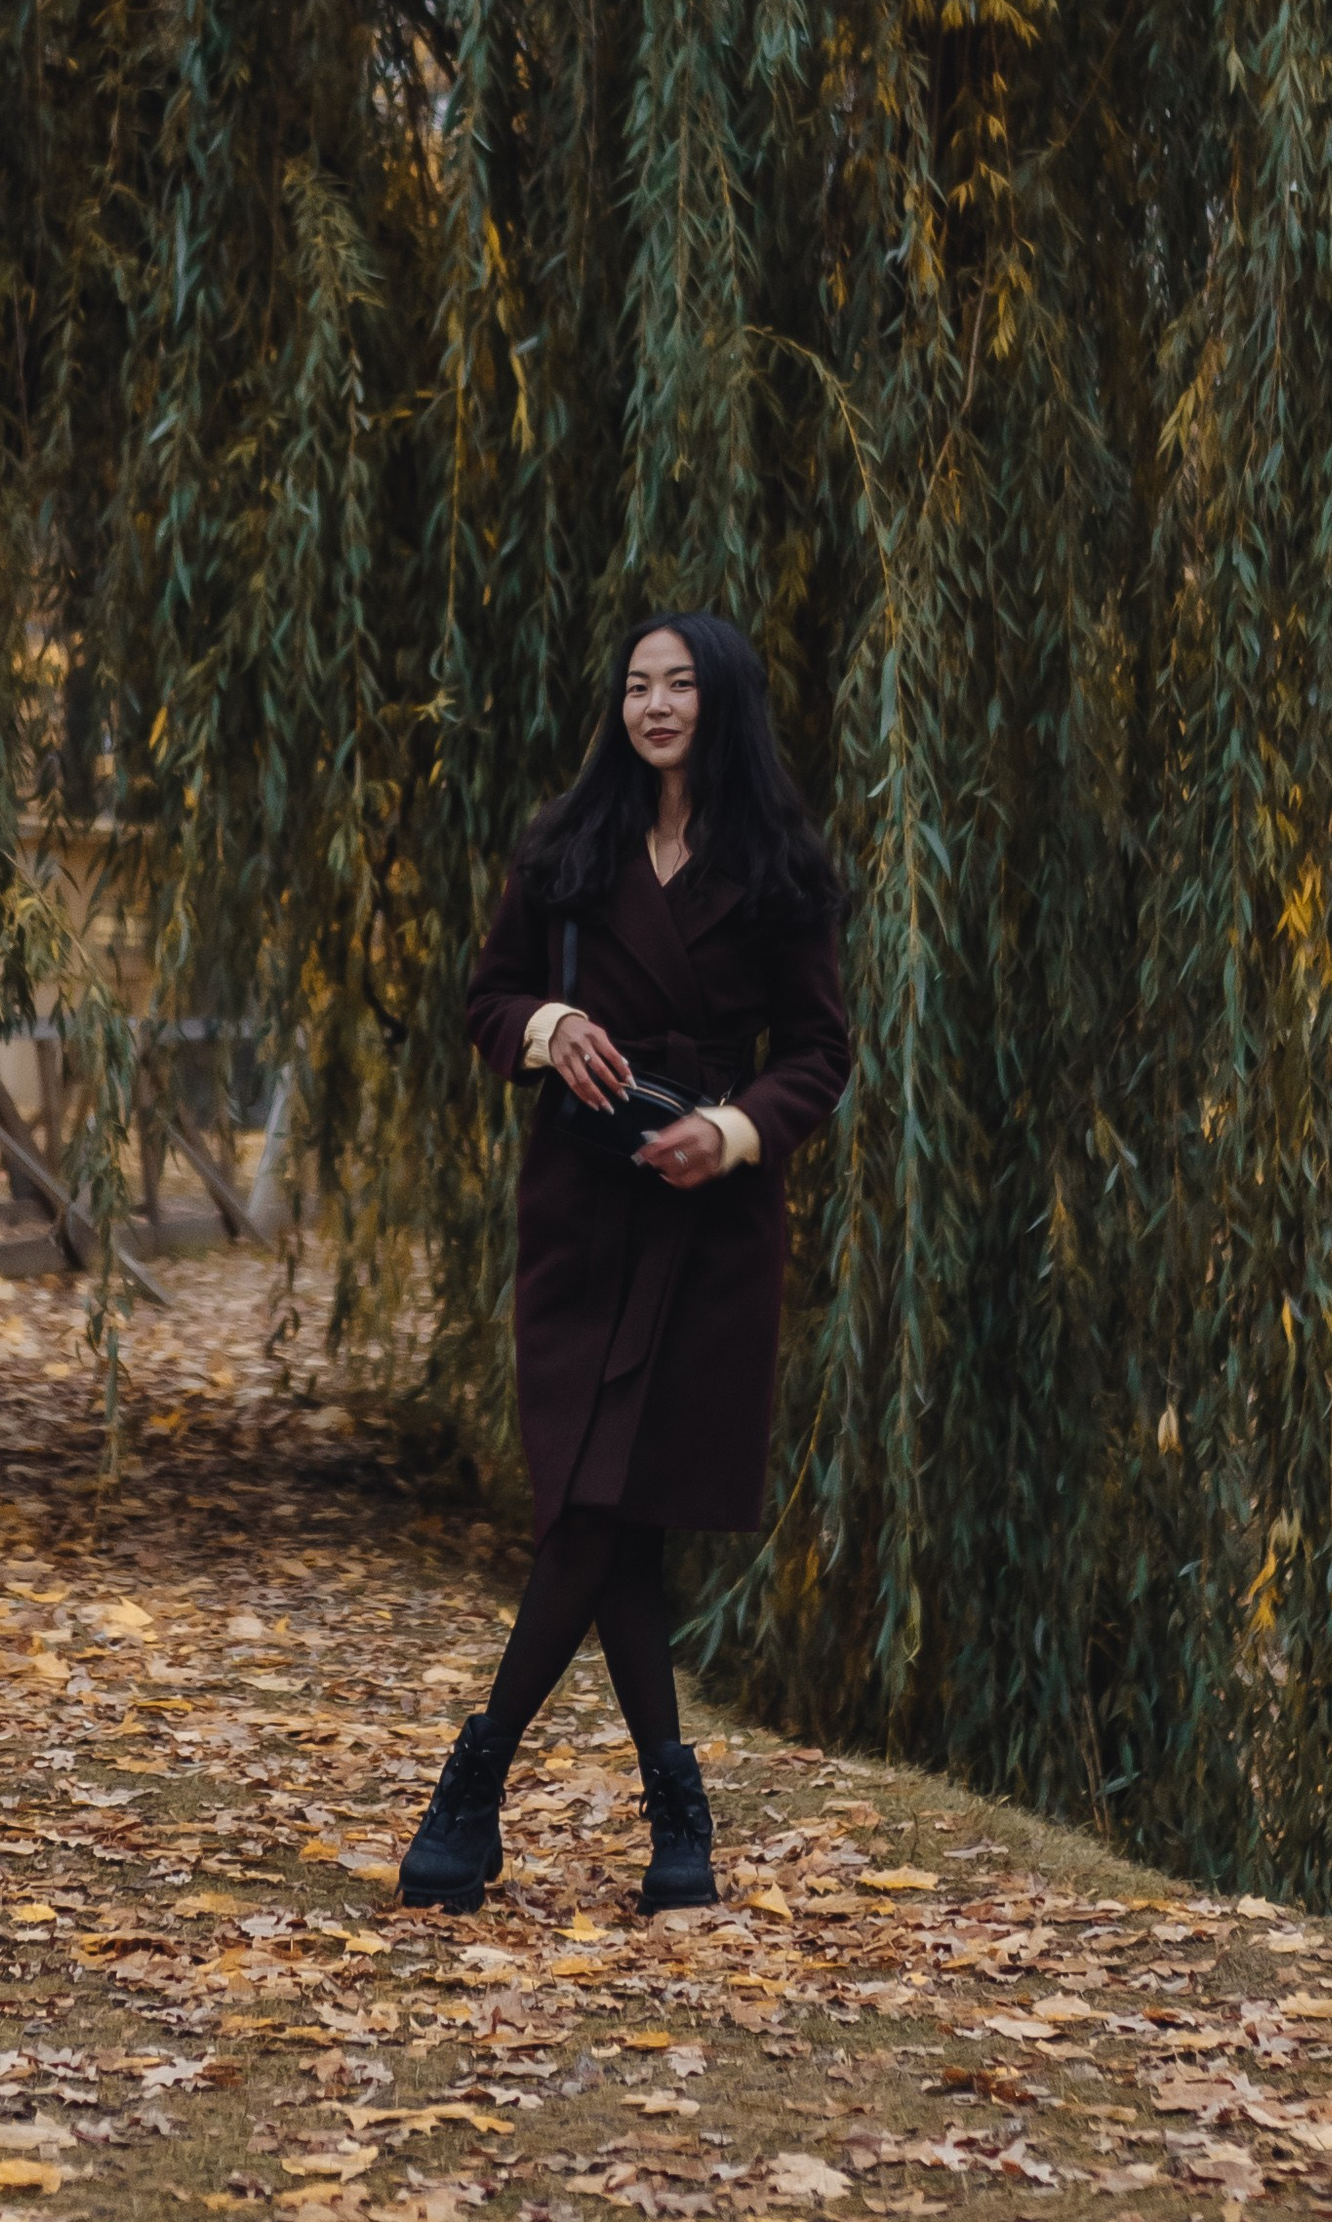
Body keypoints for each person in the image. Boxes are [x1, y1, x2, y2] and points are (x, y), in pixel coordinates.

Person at [397, 610, 850, 1917]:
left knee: (610, 1514)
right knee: (600, 1515)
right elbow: (485, 999)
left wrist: (736, 1126)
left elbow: (822, 1050)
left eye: (681, 685)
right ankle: (672, 1821)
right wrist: (546, 1024)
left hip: (708, 1223)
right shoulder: (567, 845)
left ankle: (475, 1800)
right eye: (639, 685)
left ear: (724, 703)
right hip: (584, 1213)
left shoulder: (780, 867)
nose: (655, 705)